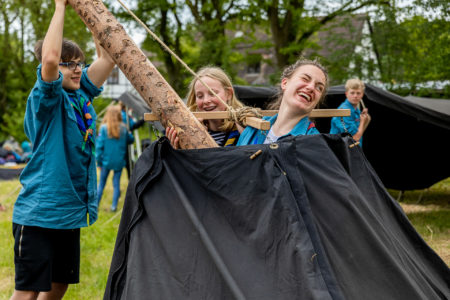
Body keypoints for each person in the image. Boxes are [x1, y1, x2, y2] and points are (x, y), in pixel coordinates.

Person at [10, 0, 115, 299]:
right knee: (28, 291)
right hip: (40, 214)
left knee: (59, 286)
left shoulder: (80, 95)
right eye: (71, 64)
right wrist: (60, 7)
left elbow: (107, 58)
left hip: (69, 214)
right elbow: (52, 60)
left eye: (80, 63)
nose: (77, 69)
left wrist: (94, 15)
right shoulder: (47, 97)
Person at [237, 58, 328, 145]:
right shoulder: (253, 129)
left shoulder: (315, 143)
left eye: (319, 88)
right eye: (305, 79)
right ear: (285, 83)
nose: (311, 87)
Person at [166, 66, 244, 148]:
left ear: (228, 94)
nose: (206, 100)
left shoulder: (242, 127)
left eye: (212, 93)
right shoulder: (188, 131)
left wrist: (246, 135)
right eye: (200, 96)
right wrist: (178, 150)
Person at [96, 105, 134, 212]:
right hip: (119, 161)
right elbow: (131, 140)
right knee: (116, 184)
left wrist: (99, 162)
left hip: (106, 161)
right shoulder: (123, 128)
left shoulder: (104, 128)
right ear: (118, 115)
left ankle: (96, 205)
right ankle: (113, 207)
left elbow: (99, 147)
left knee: (101, 184)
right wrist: (129, 133)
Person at [329, 78, 371, 145]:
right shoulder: (343, 111)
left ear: (362, 94)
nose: (355, 96)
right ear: (346, 94)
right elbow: (354, 139)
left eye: (358, 93)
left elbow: (360, 132)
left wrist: (366, 119)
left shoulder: (357, 110)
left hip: (353, 150)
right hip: (341, 151)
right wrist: (362, 121)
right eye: (352, 93)